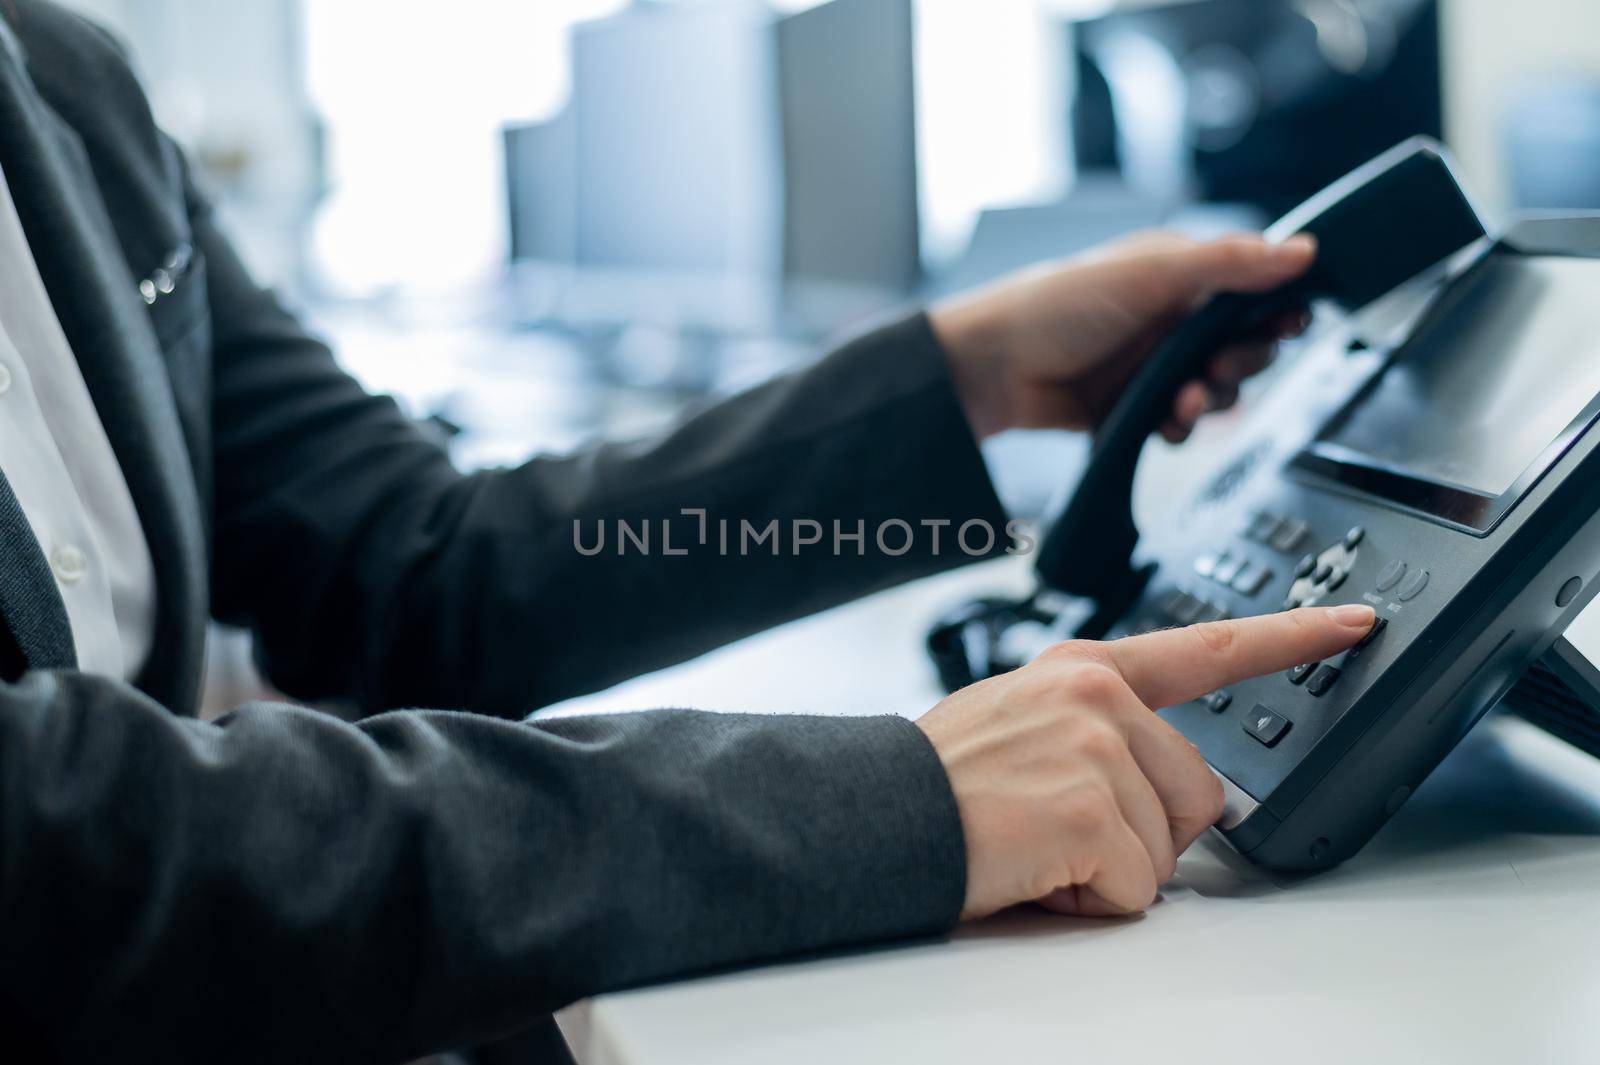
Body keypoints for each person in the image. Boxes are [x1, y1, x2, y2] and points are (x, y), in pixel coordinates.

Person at [0, 3, 1377, 1063]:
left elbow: (419, 557)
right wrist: (887, 805)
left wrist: (966, 381)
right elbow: (53, 843)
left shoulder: (66, 87)